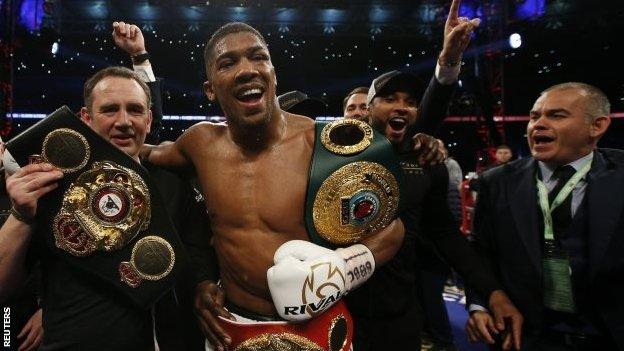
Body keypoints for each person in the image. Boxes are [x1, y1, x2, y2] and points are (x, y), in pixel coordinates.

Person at [141, 21, 405, 351]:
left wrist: (341, 271)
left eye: (257, 57)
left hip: (317, 328)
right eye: (228, 63)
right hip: (233, 328)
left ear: (273, 74)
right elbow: (140, 147)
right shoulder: (200, 144)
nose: (246, 70)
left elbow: (391, 230)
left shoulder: (322, 145)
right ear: (210, 89)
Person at [0, 66, 211, 350]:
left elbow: (200, 266)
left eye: (135, 110)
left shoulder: (173, 185)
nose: (124, 121)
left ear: (148, 120)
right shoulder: (48, 186)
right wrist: (21, 216)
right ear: (85, 119)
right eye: (110, 110)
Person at [346, 65, 523, 350]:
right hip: (338, 307)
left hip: (399, 312)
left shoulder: (426, 162)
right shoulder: (334, 157)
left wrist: (491, 291)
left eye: (411, 102)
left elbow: (445, 234)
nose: (402, 107)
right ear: (369, 108)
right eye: (390, 98)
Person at [466, 82, 622, 350]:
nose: (538, 124)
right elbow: (481, 252)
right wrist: (482, 301)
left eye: (556, 115)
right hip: (524, 336)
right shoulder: (496, 182)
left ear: (597, 126)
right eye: (534, 116)